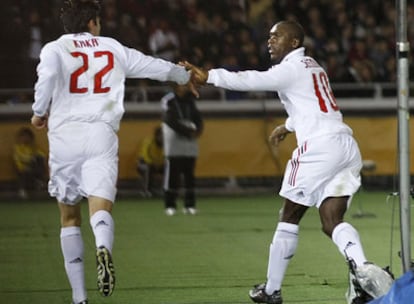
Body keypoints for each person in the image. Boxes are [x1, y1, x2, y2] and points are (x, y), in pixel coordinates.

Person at [182, 20, 393, 304]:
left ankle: (272, 290)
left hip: (318, 148)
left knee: (289, 215)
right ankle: (364, 271)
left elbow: (250, 80)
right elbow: (313, 103)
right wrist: (289, 125)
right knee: (332, 220)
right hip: (345, 145)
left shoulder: (290, 68)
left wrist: (209, 76)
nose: (270, 41)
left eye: (276, 36)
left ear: (294, 42)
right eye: (269, 37)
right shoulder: (312, 65)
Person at [30, 1, 196, 303]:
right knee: (101, 208)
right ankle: (102, 247)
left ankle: (80, 298)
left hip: (65, 134)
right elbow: (153, 66)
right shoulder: (113, 47)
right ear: (93, 21)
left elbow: (48, 78)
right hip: (102, 133)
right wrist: (185, 76)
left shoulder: (54, 48)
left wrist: (39, 112)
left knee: (69, 219)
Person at [161, 83, 204, 216]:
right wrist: (187, 131)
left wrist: (199, 130)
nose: (186, 87)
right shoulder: (168, 100)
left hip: (189, 141)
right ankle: (170, 205)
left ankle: (189, 205)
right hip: (174, 140)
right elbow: (169, 119)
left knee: (189, 175)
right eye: (183, 85)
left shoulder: (190, 100)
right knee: (172, 175)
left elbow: (198, 118)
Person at [13, 127, 47, 199]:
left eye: (27, 136)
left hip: (32, 168)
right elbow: (21, 158)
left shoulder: (33, 147)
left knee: (39, 159)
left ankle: (39, 182)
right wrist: (31, 158)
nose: (25, 138)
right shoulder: (18, 147)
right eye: (23, 136)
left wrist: (35, 155)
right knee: (32, 163)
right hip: (21, 168)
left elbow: (42, 155)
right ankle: (23, 190)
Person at [137, 125, 164, 197]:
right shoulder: (149, 141)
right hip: (144, 164)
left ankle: (166, 190)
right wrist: (152, 163)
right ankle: (145, 191)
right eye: (161, 135)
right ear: (156, 135)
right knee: (147, 168)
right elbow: (144, 155)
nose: (162, 137)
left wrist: (160, 164)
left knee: (170, 168)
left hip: (159, 165)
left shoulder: (167, 144)